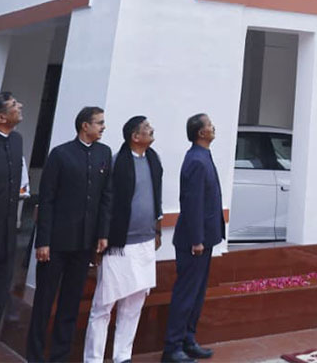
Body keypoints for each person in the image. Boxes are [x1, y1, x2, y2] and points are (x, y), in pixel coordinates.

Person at [27, 107, 114, 363]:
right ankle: (34, 356)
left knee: (70, 303)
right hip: (55, 243)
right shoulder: (61, 154)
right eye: (99, 123)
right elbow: (47, 200)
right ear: (84, 126)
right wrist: (42, 241)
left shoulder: (104, 153)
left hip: (84, 243)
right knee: (44, 302)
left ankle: (60, 356)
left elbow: (106, 197)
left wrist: (102, 234)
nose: (103, 127)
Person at [84, 115, 164, 363]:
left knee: (135, 302)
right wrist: (103, 236)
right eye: (147, 129)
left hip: (145, 243)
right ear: (135, 137)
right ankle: (94, 358)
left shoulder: (153, 159)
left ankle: (122, 355)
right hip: (119, 245)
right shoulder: (118, 162)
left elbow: (156, 197)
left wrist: (158, 230)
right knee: (104, 305)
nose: (152, 130)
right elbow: (107, 203)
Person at [163, 114, 223, 363]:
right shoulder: (196, 160)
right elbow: (192, 203)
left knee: (197, 294)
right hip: (193, 241)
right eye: (209, 125)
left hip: (205, 238)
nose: (213, 127)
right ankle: (172, 348)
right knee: (186, 294)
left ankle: (188, 339)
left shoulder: (204, 156)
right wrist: (197, 239)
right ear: (200, 133)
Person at [0, 91, 31, 348]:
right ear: (0, 116)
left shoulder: (16, 141)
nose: (21, 106)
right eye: (15, 105)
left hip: (7, 234)